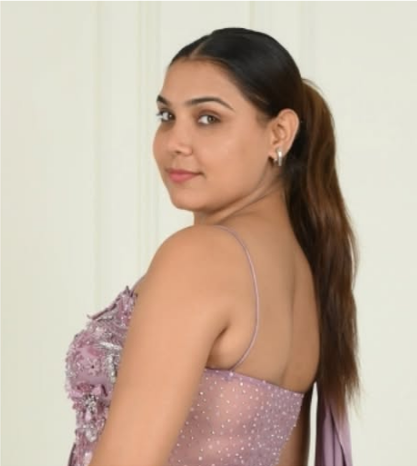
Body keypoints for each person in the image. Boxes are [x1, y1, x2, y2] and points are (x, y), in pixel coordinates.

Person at [64, 27, 360, 466]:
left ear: (279, 133)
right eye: (167, 116)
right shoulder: (301, 267)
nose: (175, 143)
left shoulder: (202, 255)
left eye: (208, 118)